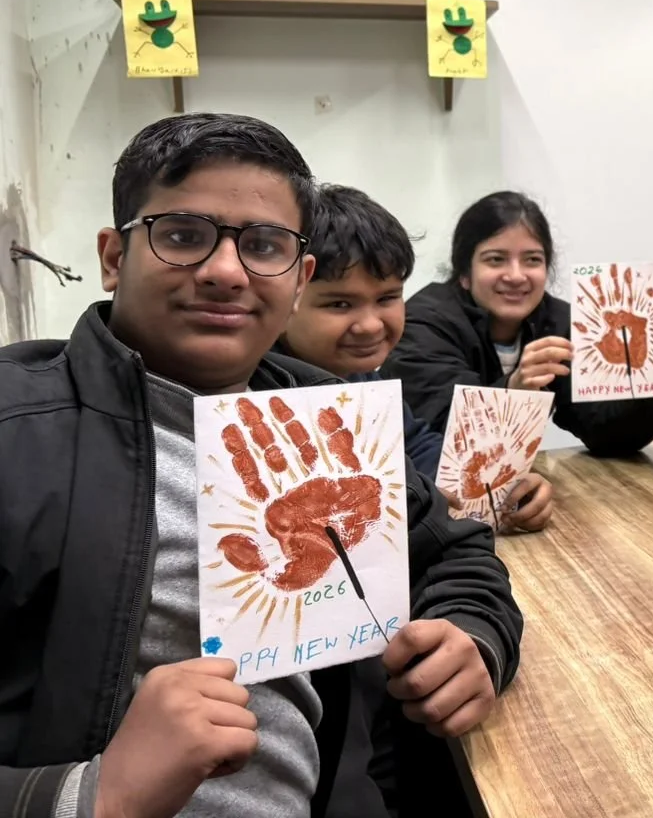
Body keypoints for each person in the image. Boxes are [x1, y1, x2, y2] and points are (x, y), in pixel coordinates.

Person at [0, 114, 522, 818]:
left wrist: (474, 637)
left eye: (264, 245)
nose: (224, 272)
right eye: (182, 236)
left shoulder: (327, 418)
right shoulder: (16, 431)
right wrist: (85, 796)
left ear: (298, 276)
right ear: (114, 256)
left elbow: (456, 552)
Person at [280, 183, 553, 531]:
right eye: (339, 304)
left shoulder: (361, 378)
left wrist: (506, 483)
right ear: (286, 294)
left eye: (387, 298)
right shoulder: (257, 391)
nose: (370, 325)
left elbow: (417, 444)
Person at [386, 191, 653, 454]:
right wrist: (513, 391)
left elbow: (604, 432)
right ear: (464, 274)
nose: (516, 276)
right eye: (495, 259)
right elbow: (439, 440)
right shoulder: (423, 324)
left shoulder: (561, 322)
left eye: (532, 260)